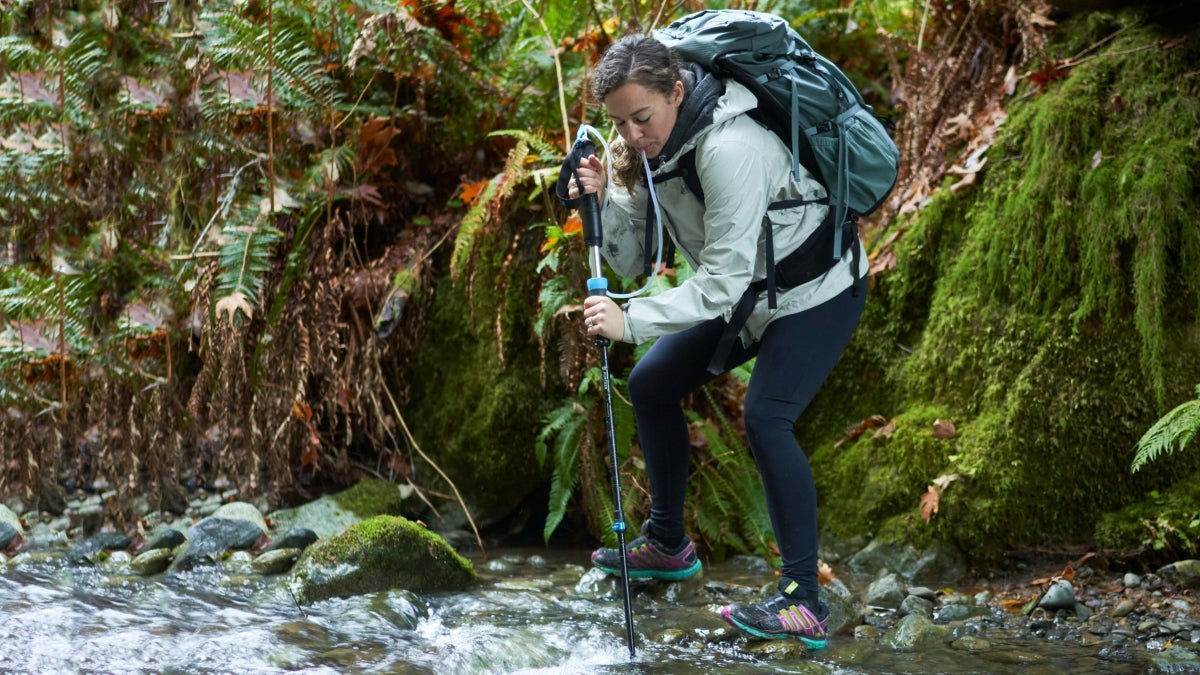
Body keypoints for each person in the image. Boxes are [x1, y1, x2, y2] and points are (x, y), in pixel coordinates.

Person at [565, 32, 867, 649]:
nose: (631, 136)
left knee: (767, 416)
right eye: (619, 123)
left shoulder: (731, 147)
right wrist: (602, 204)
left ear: (676, 91)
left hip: (816, 291)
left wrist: (631, 323)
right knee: (650, 383)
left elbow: (722, 281)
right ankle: (670, 544)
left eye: (641, 118)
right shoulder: (652, 150)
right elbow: (630, 265)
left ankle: (803, 599)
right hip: (751, 295)